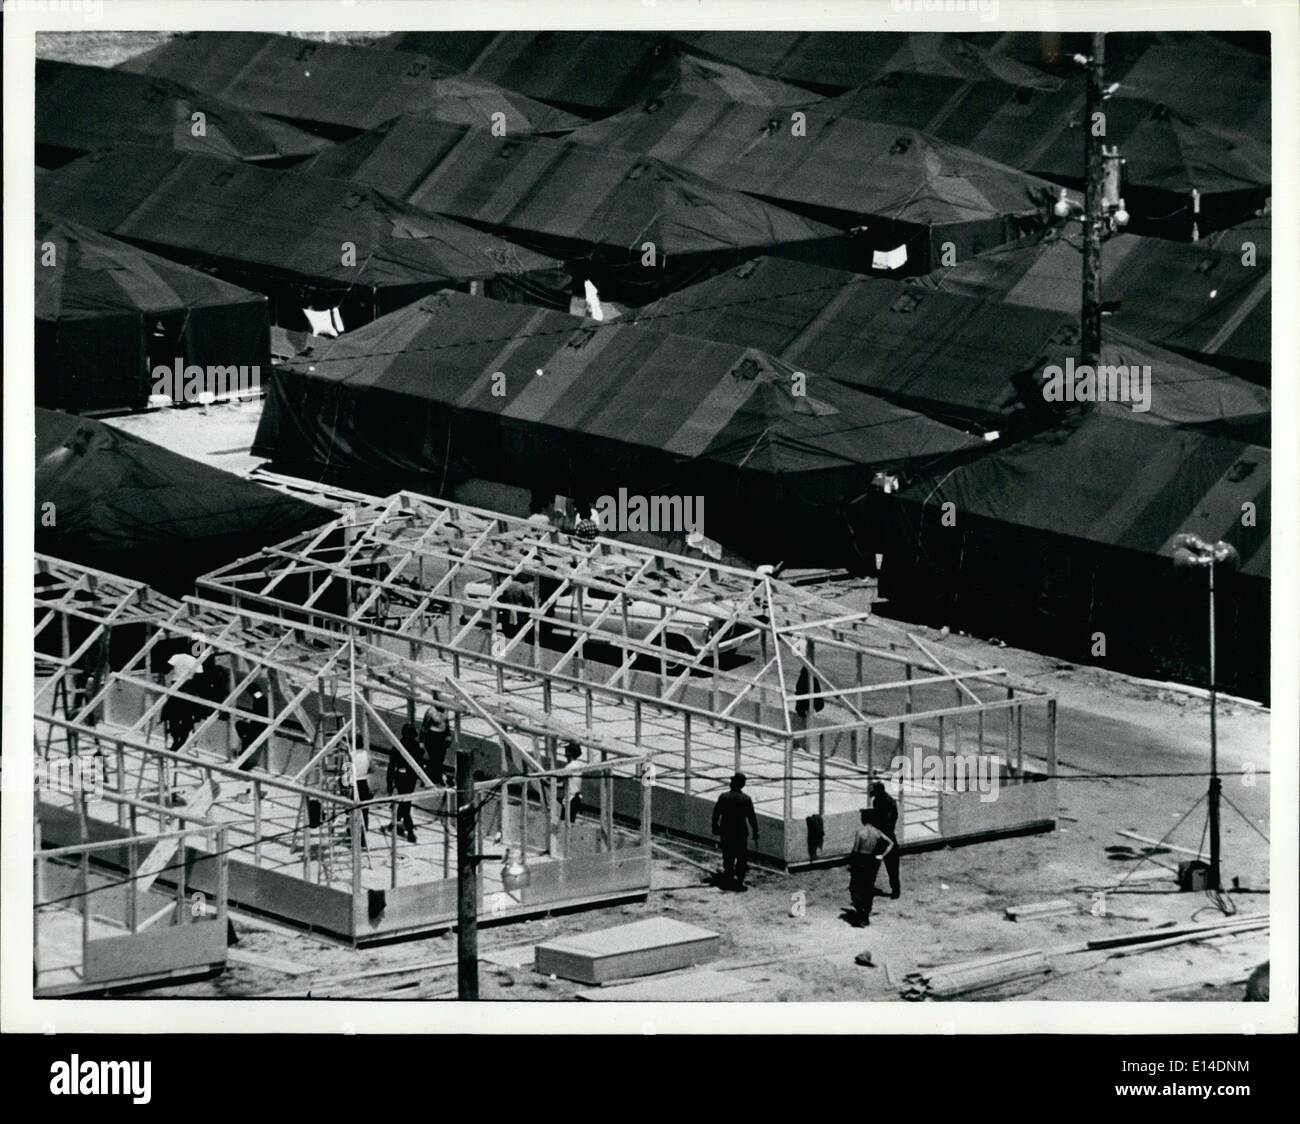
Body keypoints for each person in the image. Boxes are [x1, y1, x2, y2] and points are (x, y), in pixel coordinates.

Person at [711, 773, 759, 890]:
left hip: (726, 832)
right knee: (741, 858)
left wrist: (715, 827)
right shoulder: (746, 799)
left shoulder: (723, 797)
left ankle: (728, 878)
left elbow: (716, 814)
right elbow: (751, 817)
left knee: (728, 856)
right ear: (742, 785)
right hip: (740, 833)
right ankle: (739, 882)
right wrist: (755, 831)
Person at [848, 808, 894, 926]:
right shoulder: (877, 832)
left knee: (855, 887)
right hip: (873, 861)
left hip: (860, 860)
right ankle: (865, 915)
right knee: (868, 888)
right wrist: (882, 855)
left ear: (863, 819)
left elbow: (855, 849)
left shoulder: (860, 832)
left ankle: (860, 912)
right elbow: (891, 843)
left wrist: (851, 863)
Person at [386, 722, 420, 843]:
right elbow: (419, 764)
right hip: (410, 779)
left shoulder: (398, 746)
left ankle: (399, 825)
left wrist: (389, 783)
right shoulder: (416, 746)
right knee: (406, 804)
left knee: (405, 805)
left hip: (402, 778)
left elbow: (391, 765)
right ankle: (407, 830)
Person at [868, 779, 901, 899]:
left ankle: (896, 890)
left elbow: (887, 820)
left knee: (892, 866)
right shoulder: (878, 800)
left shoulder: (887, 802)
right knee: (872, 863)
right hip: (881, 835)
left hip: (887, 836)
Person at [419, 706, 452, 783]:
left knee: (440, 759)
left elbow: (446, 723)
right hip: (432, 737)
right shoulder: (431, 712)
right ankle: (430, 778)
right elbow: (424, 727)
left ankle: (437, 777)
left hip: (442, 737)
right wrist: (421, 741)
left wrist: (448, 736)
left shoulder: (446, 710)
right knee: (433, 758)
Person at [559, 742, 585, 822]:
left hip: (571, 799)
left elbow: (559, 779)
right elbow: (565, 784)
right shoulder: (578, 766)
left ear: (569, 753)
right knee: (570, 821)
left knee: (565, 822)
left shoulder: (570, 767)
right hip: (576, 799)